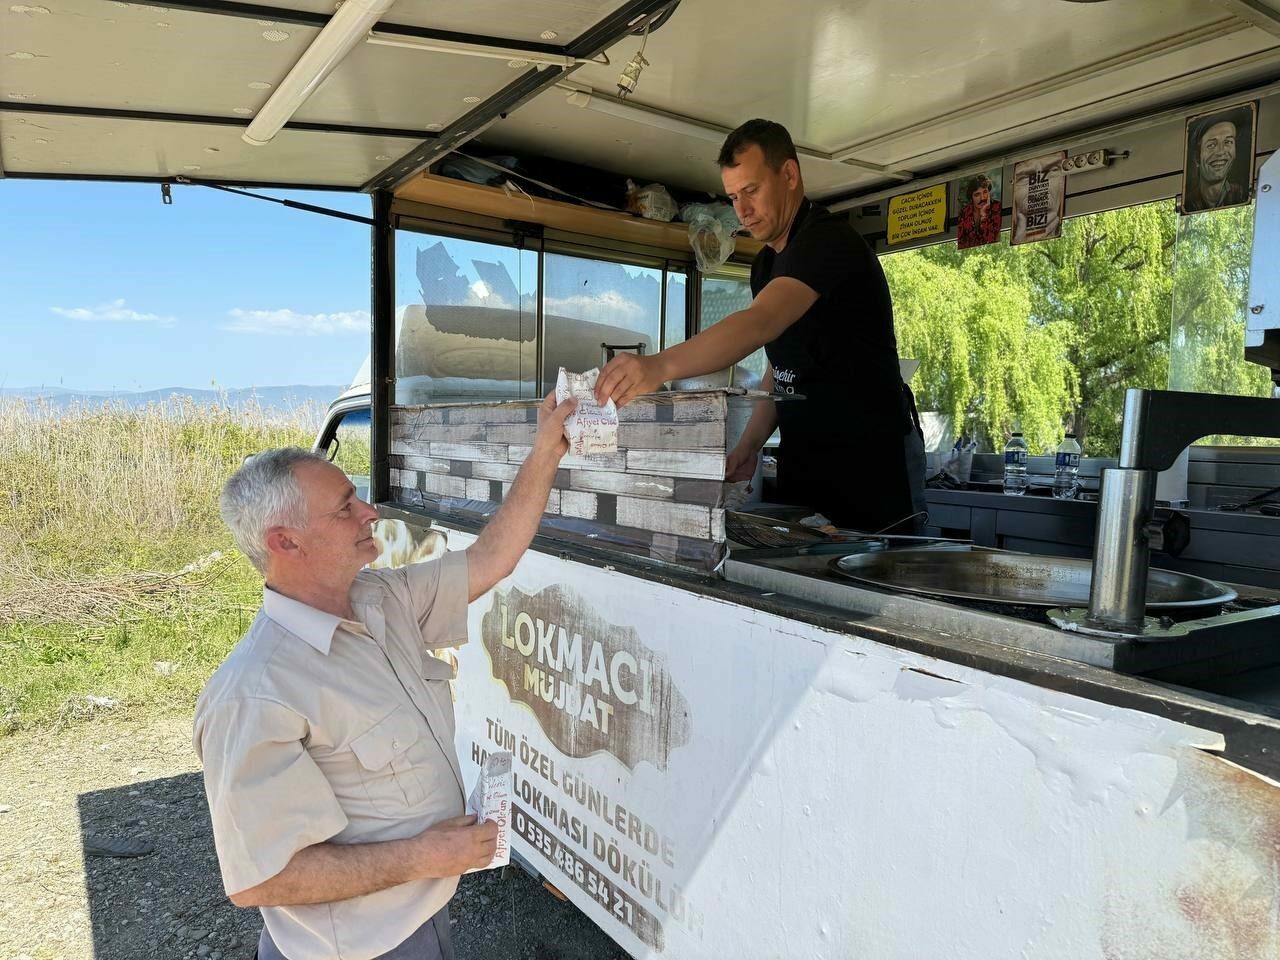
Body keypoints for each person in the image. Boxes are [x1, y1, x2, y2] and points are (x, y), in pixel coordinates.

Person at [193, 391, 576, 960]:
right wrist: (424, 856)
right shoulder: (253, 693)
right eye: (344, 507)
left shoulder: (379, 599)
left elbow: (491, 558)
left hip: (420, 915)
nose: (370, 512)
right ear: (285, 541)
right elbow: (263, 880)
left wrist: (546, 450)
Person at [595, 119, 925, 533]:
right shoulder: (766, 265)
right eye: (733, 197)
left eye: (751, 190)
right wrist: (749, 445)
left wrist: (658, 366)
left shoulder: (827, 242)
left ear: (789, 175)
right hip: (805, 468)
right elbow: (781, 369)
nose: (742, 210)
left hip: (870, 469)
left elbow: (759, 323)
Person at [1189, 116, 1249, 211]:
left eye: (1228, 142)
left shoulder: (1241, 194)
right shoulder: (1189, 201)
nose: (1221, 152)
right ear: (1197, 157)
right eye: (1211, 145)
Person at [956, 173, 1002, 248]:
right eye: (977, 195)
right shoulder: (964, 212)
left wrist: (984, 215)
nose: (982, 198)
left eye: (985, 192)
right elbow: (962, 243)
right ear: (971, 197)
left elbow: (991, 241)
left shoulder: (997, 207)